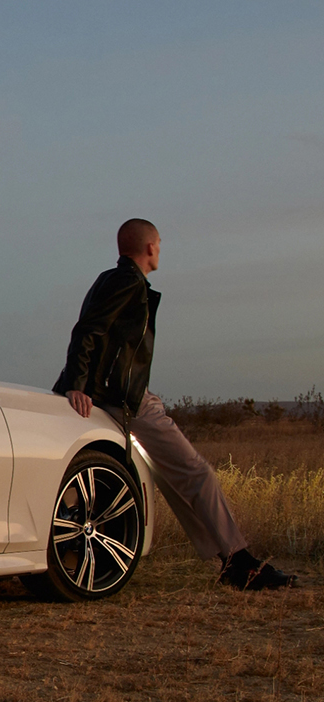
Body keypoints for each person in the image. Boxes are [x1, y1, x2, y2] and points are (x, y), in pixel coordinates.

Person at [53, 218, 297, 590]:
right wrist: (76, 385)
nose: (161, 250)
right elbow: (88, 329)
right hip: (120, 397)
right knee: (195, 473)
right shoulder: (126, 282)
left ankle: (232, 558)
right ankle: (240, 562)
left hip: (122, 393)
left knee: (168, 475)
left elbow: (100, 334)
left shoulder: (113, 278)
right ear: (150, 247)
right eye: (160, 244)